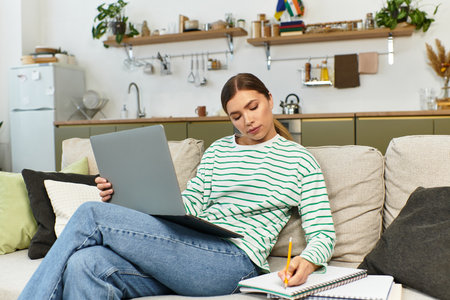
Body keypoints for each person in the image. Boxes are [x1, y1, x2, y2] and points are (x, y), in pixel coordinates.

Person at [19, 73, 335, 299]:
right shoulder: (220, 150)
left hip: (234, 262)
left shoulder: (298, 160)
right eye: (236, 115)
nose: (247, 121)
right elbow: (190, 205)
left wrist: (307, 261)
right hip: (187, 250)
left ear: (269, 99)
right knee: (85, 264)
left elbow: (323, 233)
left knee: (90, 214)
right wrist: (125, 197)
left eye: (253, 107)